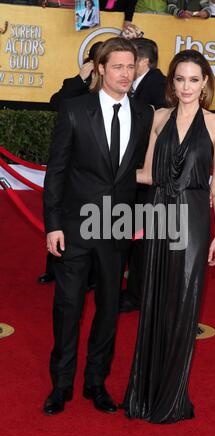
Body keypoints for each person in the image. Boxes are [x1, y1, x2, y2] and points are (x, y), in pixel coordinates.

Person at [42, 37, 153, 416]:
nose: (125, 73)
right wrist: (52, 224)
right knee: (68, 307)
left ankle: (95, 382)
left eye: (131, 66)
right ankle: (60, 385)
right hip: (73, 226)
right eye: (117, 66)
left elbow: (138, 171)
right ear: (101, 68)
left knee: (108, 310)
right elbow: (56, 171)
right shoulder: (74, 109)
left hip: (117, 227)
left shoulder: (144, 113)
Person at [122, 49, 215, 423]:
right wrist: (100, 172)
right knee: (153, 300)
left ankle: (170, 396)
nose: (186, 86)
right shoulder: (159, 117)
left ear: (205, 84)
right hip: (159, 215)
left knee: (183, 305)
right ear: (172, 82)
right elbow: (149, 174)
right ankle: (145, 394)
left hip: (194, 220)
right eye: (180, 79)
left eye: (194, 79)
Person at [38, 42, 103, 286]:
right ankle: (54, 269)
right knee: (63, 217)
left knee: (96, 222)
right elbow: (56, 103)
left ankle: (92, 276)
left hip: (98, 167)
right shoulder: (76, 85)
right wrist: (79, 79)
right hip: (70, 164)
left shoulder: (114, 89)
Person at [119, 37, 166, 313]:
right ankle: (133, 290)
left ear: (143, 62)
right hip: (137, 175)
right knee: (134, 237)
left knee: (143, 240)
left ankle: (139, 294)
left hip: (150, 179)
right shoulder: (141, 85)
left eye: (130, 61)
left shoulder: (158, 86)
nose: (125, 68)